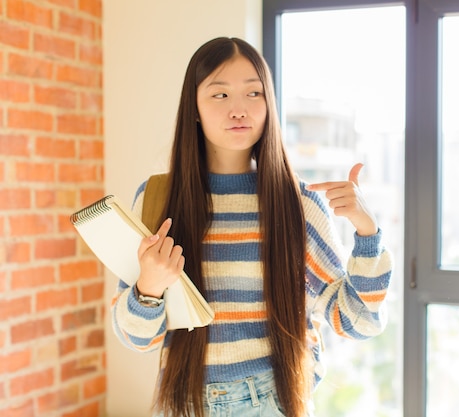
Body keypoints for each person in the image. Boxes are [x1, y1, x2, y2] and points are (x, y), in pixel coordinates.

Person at [111, 37, 393, 417]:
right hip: (183, 401)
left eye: (253, 93)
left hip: (272, 401)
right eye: (220, 95)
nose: (239, 109)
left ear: (269, 105)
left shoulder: (299, 205)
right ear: (193, 107)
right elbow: (134, 337)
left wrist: (366, 233)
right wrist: (149, 287)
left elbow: (359, 321)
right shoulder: (157, 198)